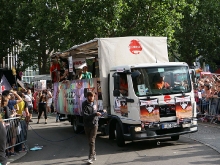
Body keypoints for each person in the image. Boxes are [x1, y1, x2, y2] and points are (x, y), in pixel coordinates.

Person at [82, 91, 101, 164]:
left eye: (93, 96)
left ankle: (90, 157)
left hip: (94, 125)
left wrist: (101, 111)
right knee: (90, 142)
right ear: (88, 97)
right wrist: (95, 114)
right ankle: (94, 153)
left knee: (92, 140)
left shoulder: (94, 103)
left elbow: (96, 111)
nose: (92, 98)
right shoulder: (84, 104)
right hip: (87, 125)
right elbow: (85, 115)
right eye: (91, 96)